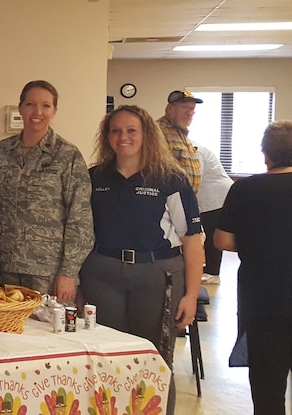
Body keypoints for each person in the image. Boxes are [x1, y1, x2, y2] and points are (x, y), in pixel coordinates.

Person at [80, 106, 203, 386]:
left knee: (154, 360)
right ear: (107, 136)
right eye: (116, 130)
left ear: (147, 134)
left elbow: (193, 241)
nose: (123, 137)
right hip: (102, 275)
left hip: (156, 275)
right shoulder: (94, 177)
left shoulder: (170, 179)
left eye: (131, 130)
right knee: (106, 356)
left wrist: (192, 295)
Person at [0, 80, 92, 302]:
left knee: (48, 334)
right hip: (2, 269)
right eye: (30, 104)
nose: (37, 112)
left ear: (54, 111)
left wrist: (69, 272)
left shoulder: (67, 155)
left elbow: (80, 219)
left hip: (47, 273)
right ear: (21, 108)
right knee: (2, 333)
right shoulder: (2, 151)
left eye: (46, 106)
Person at [214, 121, 292, 415]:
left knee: (268, 393)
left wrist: (258, 243)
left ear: (265, 154)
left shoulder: (245, 189)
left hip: (263, 304)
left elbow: (222, 240)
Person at [195, 144, 233, 285]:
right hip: (210, 196)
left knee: (212, 234)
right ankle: (209, 270)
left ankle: (213, 273)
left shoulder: (195, 150)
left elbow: (195, 179)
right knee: (209, 234)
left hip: (217, 196)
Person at [158, 89, 203, 193]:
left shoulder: (182, 133)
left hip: (186, 200)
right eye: (185, 108)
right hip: (169, 201)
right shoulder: (157, 131)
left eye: (192, 109)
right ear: (169, 109)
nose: (189, 113)